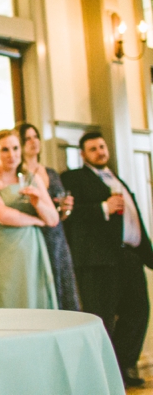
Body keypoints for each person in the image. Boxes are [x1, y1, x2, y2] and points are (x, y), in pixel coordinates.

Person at [61, 132, 153, 387]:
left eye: (102, 146)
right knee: (101, 315)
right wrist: (103, 207)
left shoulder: (117, 178)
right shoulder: (75, 178)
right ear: (83, 154)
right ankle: (101, 373)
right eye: (93, 149)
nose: (100, 151)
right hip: (99, 260)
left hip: (129, 255)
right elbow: (70, 216)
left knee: (138, 310)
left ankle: (124, 365)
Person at [0, 129, 59, 309]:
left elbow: (52, 219)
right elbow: (1, 214)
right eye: (5, 149)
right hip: (1, 252)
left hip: (31, 251)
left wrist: (38, 204)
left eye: (15, 148)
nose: (11, 154)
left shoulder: (32, 178)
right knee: (5, 304)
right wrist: (36, 221)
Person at [17, 122, 80, 311]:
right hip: (35, 234)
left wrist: (65, 208)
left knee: (64, 287)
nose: (33, 141)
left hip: (57, 234)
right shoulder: (19, 173)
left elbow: (59, 212)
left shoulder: (50, 172)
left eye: (35, 136)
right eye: (27, 138)